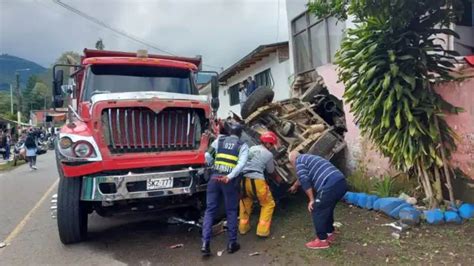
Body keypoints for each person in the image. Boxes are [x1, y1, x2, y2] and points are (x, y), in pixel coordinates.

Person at [201, 121, 249, 256]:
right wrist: (230, 176)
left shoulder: (219, 141)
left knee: (210, 210)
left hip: (214, 178)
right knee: (232, 211)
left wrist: (212, 164)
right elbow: (241, 164)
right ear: (240, 134)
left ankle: (205, 244)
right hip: (228, 181)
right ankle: (232, 243)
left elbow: (207, 156)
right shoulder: (242, 145)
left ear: (229, 132)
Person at [288, 150, 347, 250]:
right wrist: (295, 186)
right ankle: (329, 233)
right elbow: (302, 177)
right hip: (340, 182)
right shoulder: (308, 158)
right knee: (327, 207)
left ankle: (322, 240)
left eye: (291, 163)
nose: (293, 166)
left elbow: (304, 179)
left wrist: (311, 200)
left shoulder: (299, 162)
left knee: (317, 209)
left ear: (293, 160)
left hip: (330, 184)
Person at [239, 131, 279, 237]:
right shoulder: (268, 154)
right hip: (257, 181)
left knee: (245, 202)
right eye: (272, 144)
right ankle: (262, 231)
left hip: (243, 180)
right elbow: (270, 171)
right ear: (268, 144)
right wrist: (277, 178)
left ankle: (243, 228)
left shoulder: (251, 148)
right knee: (268, 204)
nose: (272, 147)